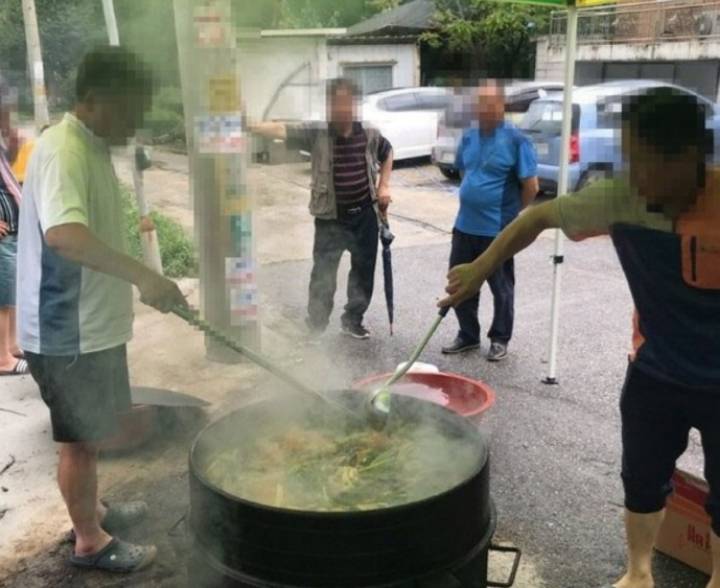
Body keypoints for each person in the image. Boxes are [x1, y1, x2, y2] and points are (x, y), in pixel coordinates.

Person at [440, 87, 720, 588]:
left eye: (645, 162)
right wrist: (481, 268)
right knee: (641, 480)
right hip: (655, 371)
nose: (632, 175)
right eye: (628, 160)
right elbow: (539, 217)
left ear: (689, 158)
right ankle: (637, 574)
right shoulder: (621, 198)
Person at [17, 46, 187, 573]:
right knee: (81, 440)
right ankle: (89, 540)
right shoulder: (65, 149)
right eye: (131, 109)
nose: (135, 122)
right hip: (66, 331)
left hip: (91, 327)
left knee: (91, 432)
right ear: (96, 100)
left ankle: (93, 508)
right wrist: (142, 275)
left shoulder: (88, 145)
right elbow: (65, 237)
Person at [250, 78, 393, 340]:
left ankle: (352, 320)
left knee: (363, 272)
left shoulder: (369, 133)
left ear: (354, 105)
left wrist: (384, 186)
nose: (341, 110)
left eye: (346, 103)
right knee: (323, 275)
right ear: (328, 107)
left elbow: (388, 151)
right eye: (335, 104)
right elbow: (282, 129)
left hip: (364, 216)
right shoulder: (317, 133)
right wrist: (249, 125)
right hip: (330, 218)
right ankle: (315, 326)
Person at [442, 79, 539, 362]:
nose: (483, 108)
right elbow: (465, 173)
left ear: (501, 105)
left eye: (490, 103)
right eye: (479, 102)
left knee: (501, 287)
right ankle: (468, 335)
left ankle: (499, 338)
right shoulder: (469, 136)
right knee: (460, 282)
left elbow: (530, 187)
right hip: (464, 226)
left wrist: (509, 217)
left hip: (497, 230)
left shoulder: (517, 140)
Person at [0, 77, 27, 375]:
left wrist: (13, 150)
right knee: (2, 298)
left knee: (11, 291)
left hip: (11, 229)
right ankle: (2, 358)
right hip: (2, 235)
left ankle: (12, 347)